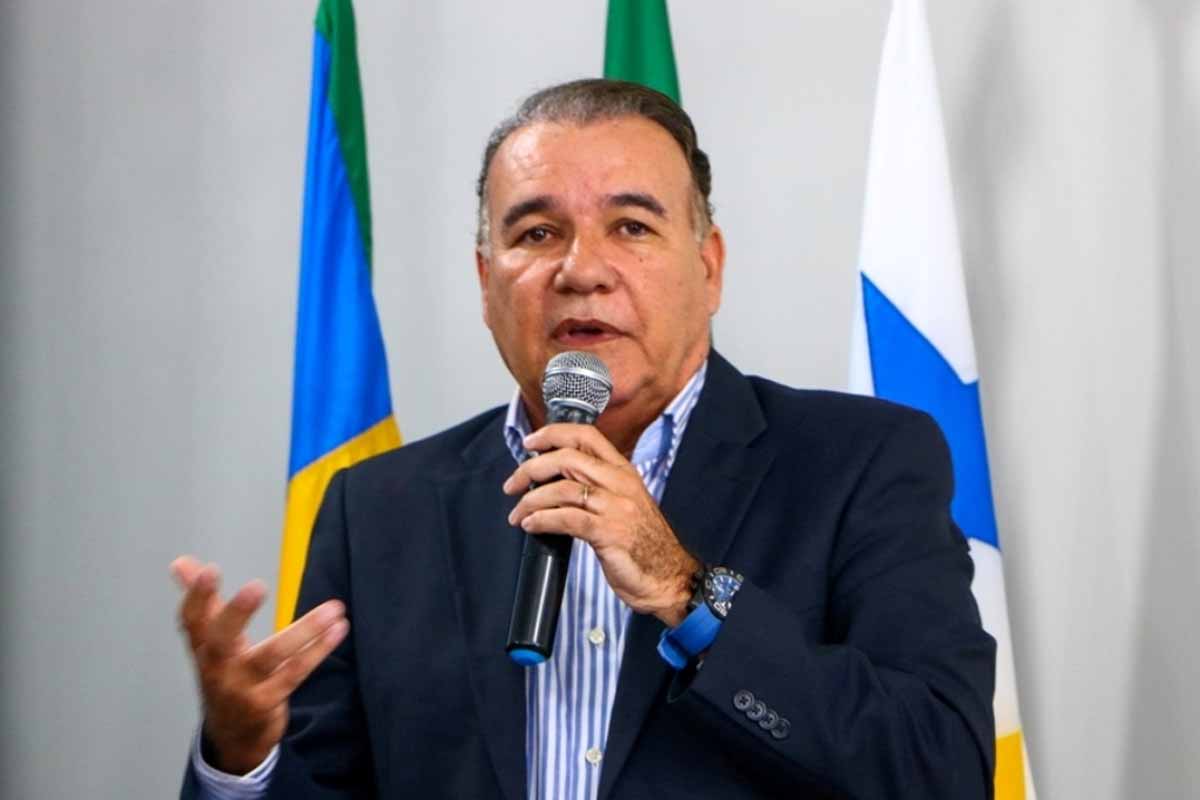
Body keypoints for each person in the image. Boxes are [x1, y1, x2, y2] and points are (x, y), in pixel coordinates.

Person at [172, 79, 996, 799]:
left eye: (631, 227)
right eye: (536, 233)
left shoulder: (859, 463)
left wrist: (687, 591)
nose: (581, 270)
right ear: (486, 282)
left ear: (709, 268)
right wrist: (243, 758)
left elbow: (940, 769)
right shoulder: (380, 510)